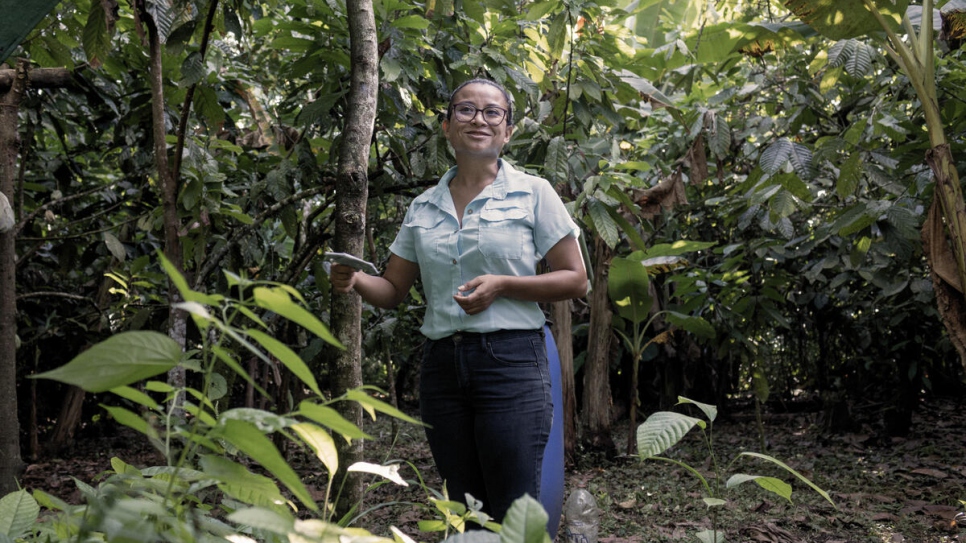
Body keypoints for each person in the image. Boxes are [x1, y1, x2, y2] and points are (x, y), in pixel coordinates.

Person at [330, 78, 586, 524]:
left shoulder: (534, 192)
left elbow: (576, 279)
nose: (479, 120)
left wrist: (503, 285)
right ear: (447, 127)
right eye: (466, 110)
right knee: (466, 507)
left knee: (514, 510)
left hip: (512, 362)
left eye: (493, 113)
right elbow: (391, 291)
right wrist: (352, 280)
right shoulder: (423, 207)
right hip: (443, 370)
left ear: (507, 131)